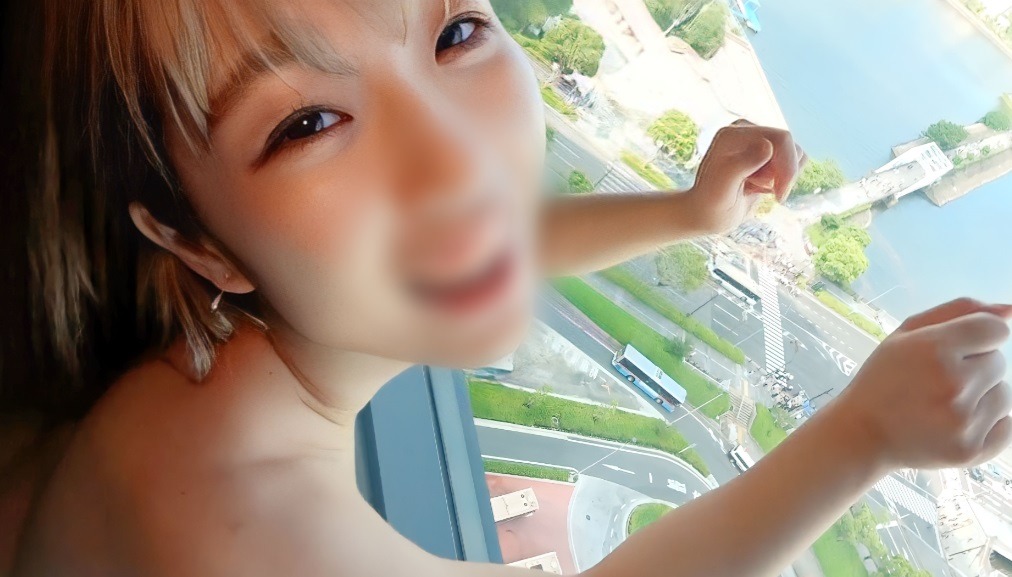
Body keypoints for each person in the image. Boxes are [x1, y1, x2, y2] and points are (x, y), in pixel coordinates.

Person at [1, 0, 1009, 575]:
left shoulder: (202, 362)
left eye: (455, 35)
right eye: (305, 124)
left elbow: (484, 238)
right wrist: (859, 435)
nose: (464, 166)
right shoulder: (243, 532)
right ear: (192, 239)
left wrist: (686, 212)